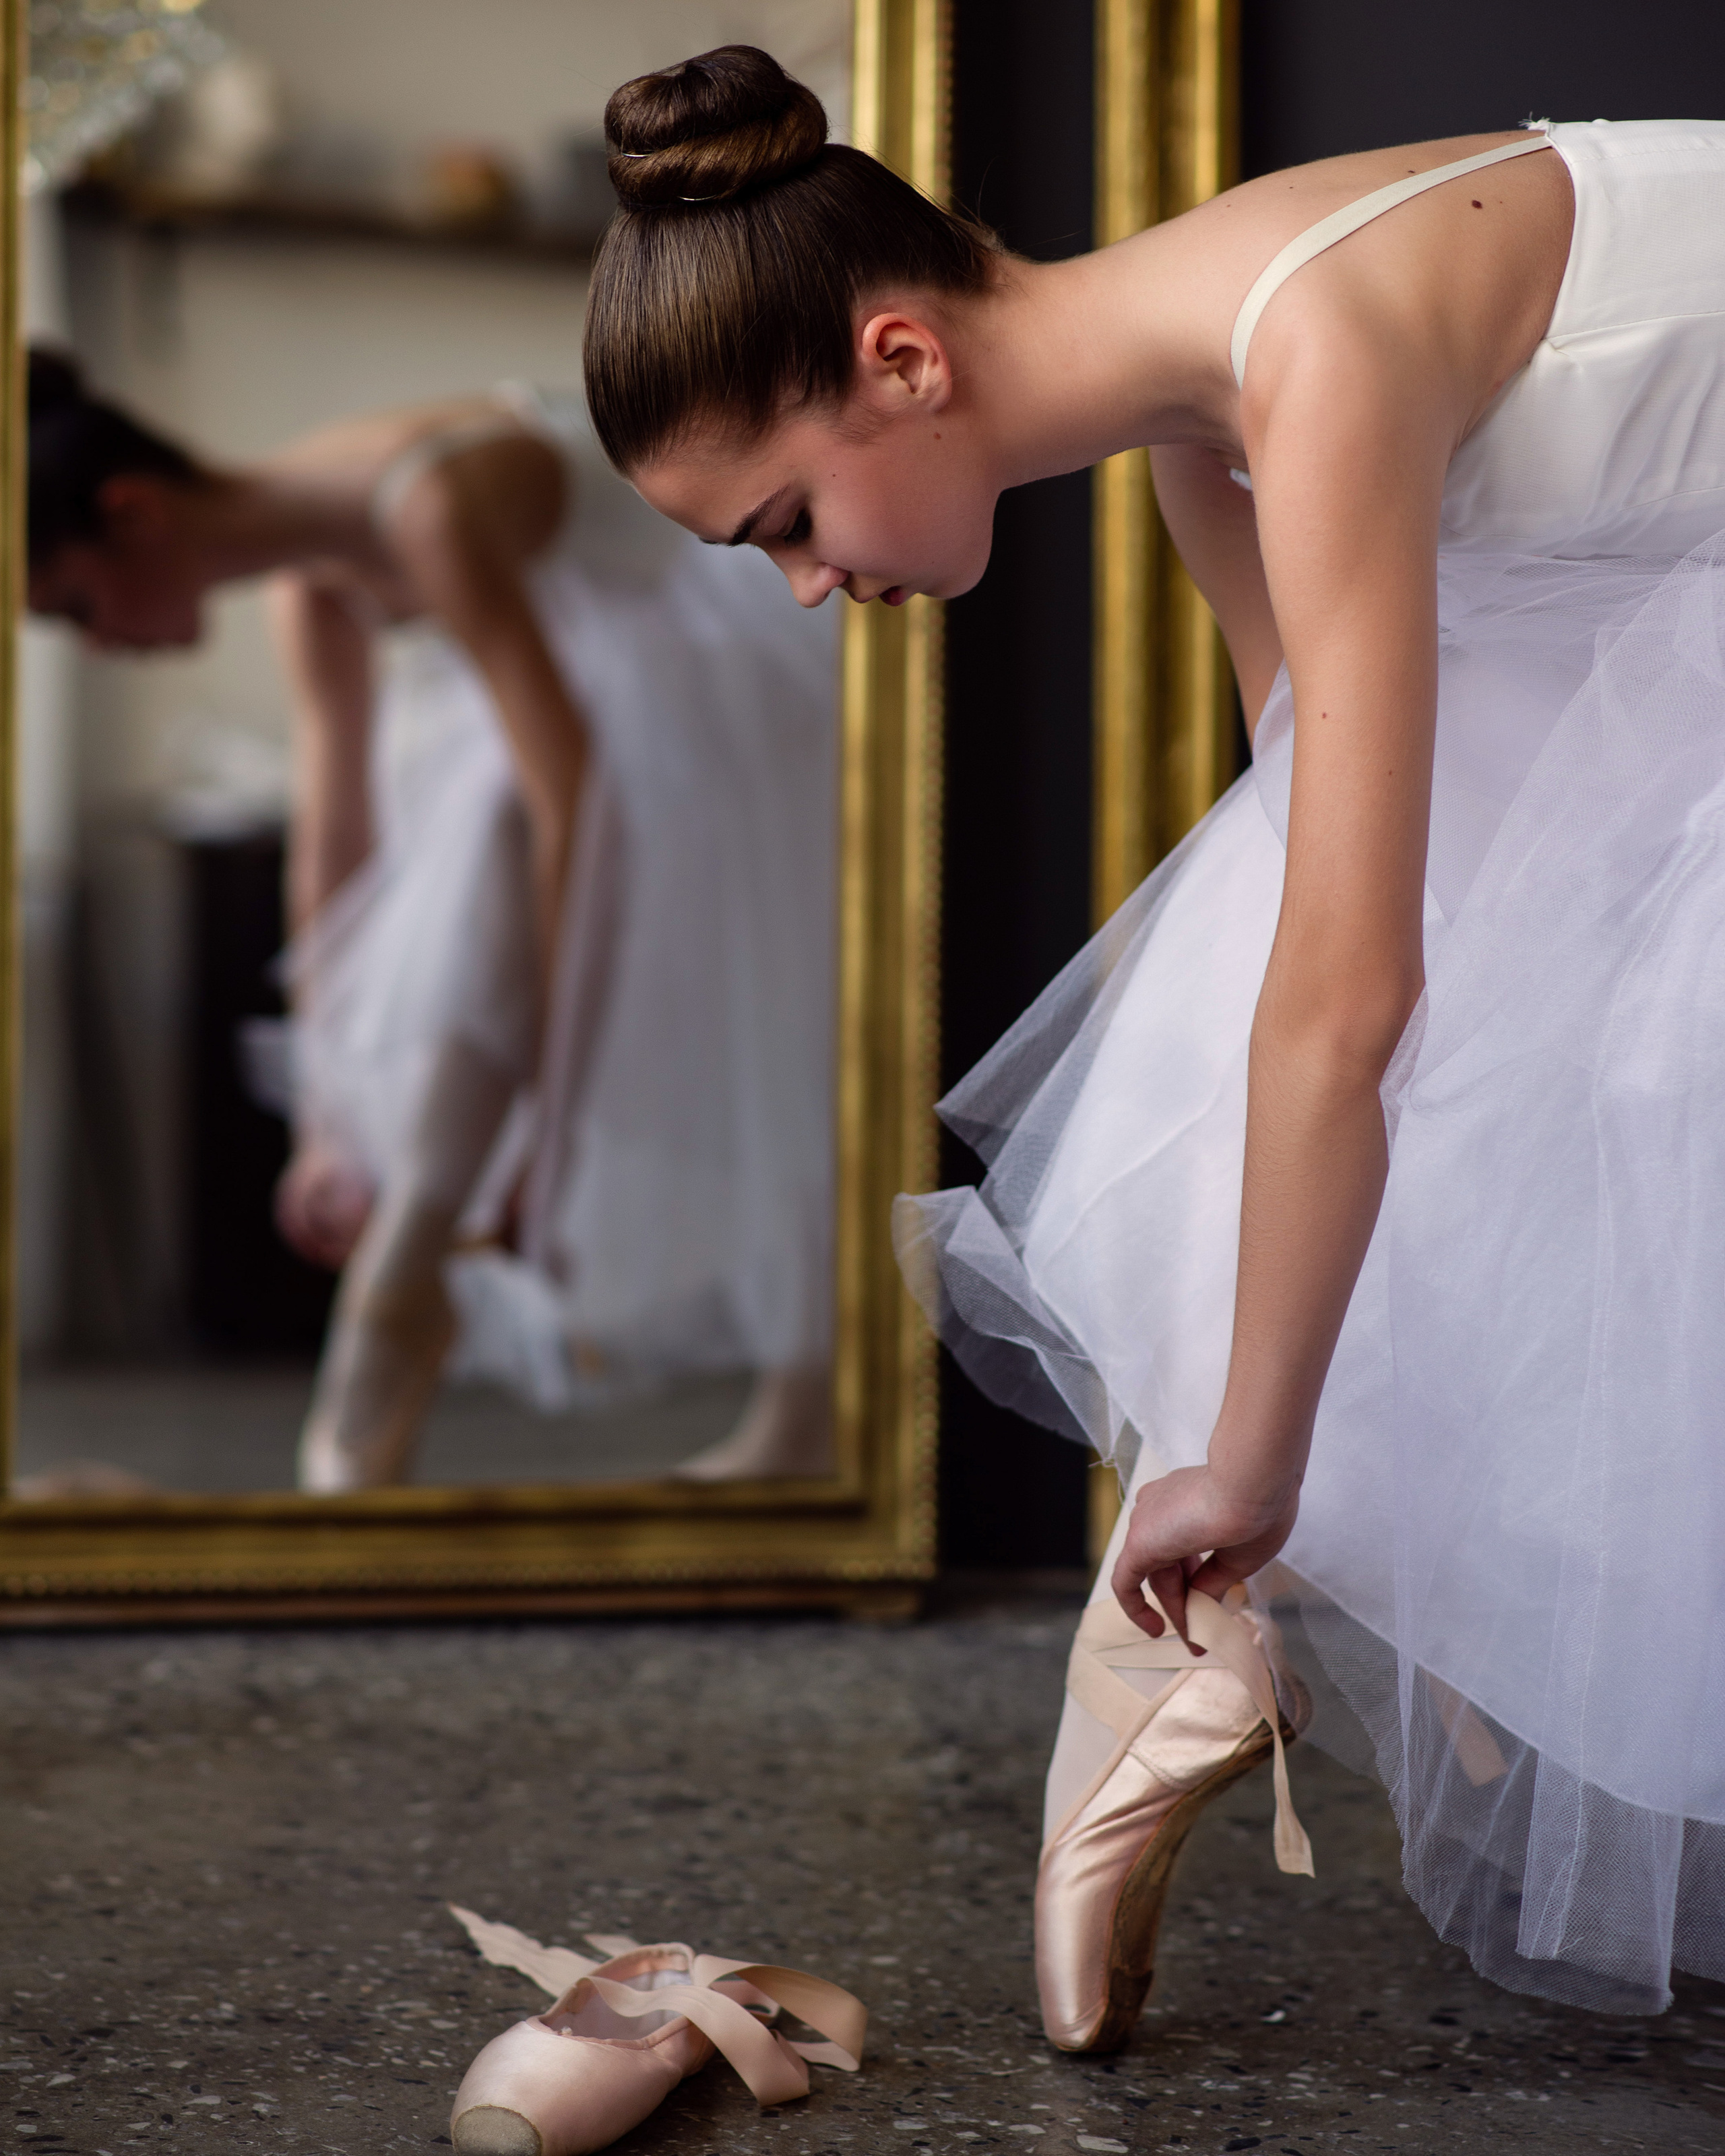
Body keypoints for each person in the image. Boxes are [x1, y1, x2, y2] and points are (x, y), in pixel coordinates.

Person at [579, 44, 1725, 2033]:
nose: (801, 587)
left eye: (780, 517)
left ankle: (1230, 1601)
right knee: (1277, 954)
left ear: (904, 359)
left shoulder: (1315, 353)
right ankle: (1312, 1619)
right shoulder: (1210, 426)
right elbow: (1362, 895)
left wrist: (1254, 1463)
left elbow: (1353, 998)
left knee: (1528, 1043)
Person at [28, 350, 840, 1490]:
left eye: (74, 606)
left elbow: (570, 805)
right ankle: (402, 1279)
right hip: (578, 734)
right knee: (465, 825)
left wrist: (556, 1122)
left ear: (132, 514)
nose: (100, 641)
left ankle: (402, 1298)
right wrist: (325, 1116)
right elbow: (334, 847)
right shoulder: (307, 584)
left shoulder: (430, 507)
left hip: (719, 674)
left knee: (515, 827)